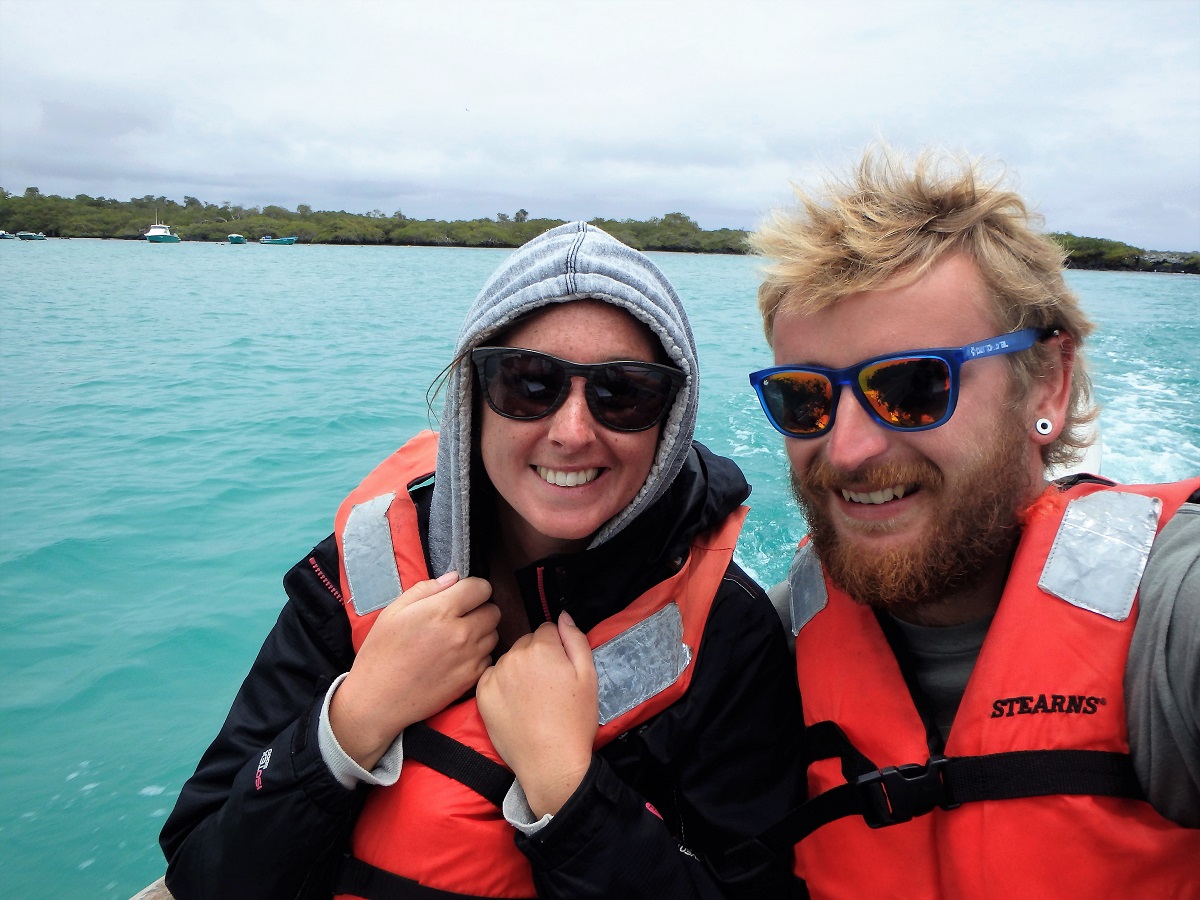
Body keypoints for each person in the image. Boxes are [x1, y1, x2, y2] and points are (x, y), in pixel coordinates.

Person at [160, 221, 805, 899]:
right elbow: (205, 868)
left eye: (624, 393)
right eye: (529, 384)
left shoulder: (728, 631)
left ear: (670, 420)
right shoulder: (364, 571)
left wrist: (571, 795)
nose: (572, 432)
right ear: (474, 398)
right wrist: (351, 721)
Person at [743, 147, 1200, 897]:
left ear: (1047, 381)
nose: (848, 450)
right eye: (806, 398)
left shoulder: (1171, 618)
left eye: (915, 386)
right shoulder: (774, 642)